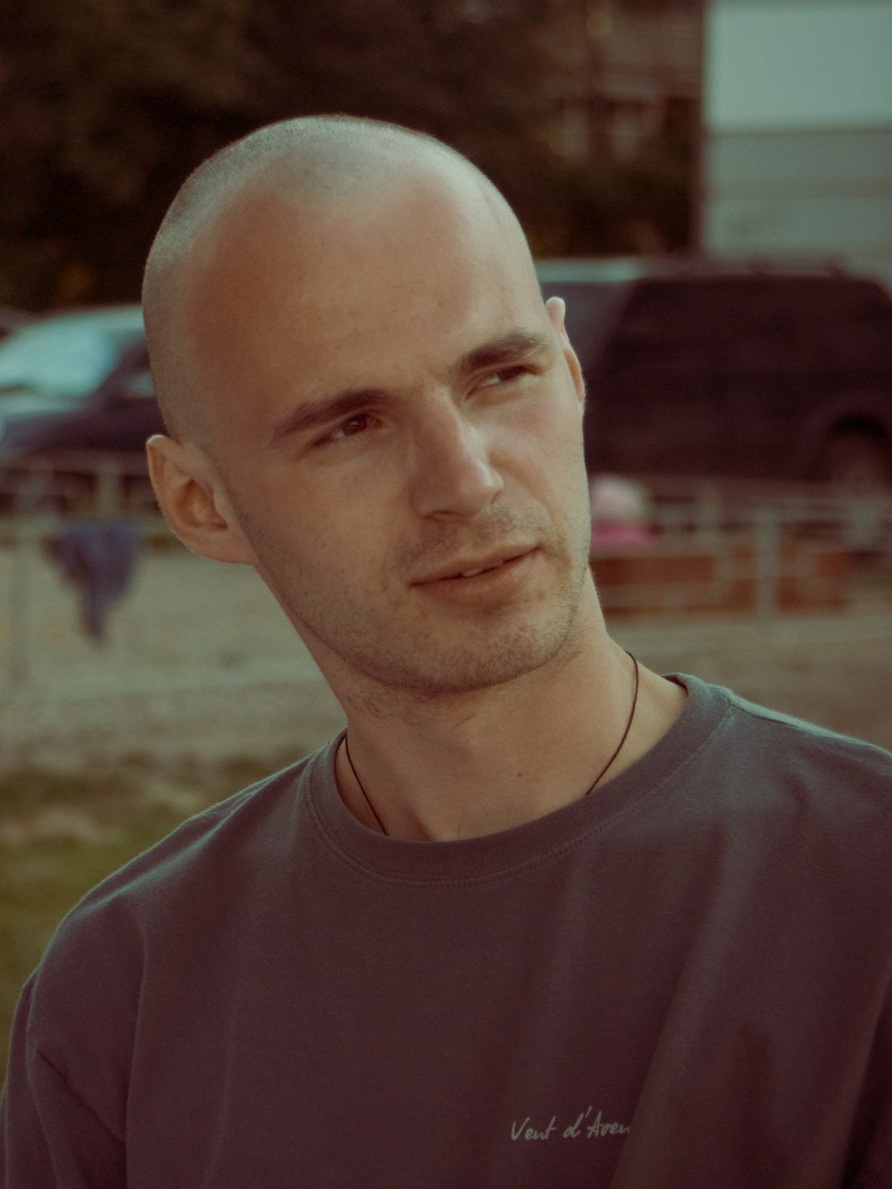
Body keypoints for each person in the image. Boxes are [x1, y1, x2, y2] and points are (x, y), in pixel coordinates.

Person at [2, 116, 891, 1189]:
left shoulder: (862, 894)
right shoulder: (120, 998)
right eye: (351, 426)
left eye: (500, 375)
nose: (465, 479)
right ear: (200, 501)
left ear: (571, 372)